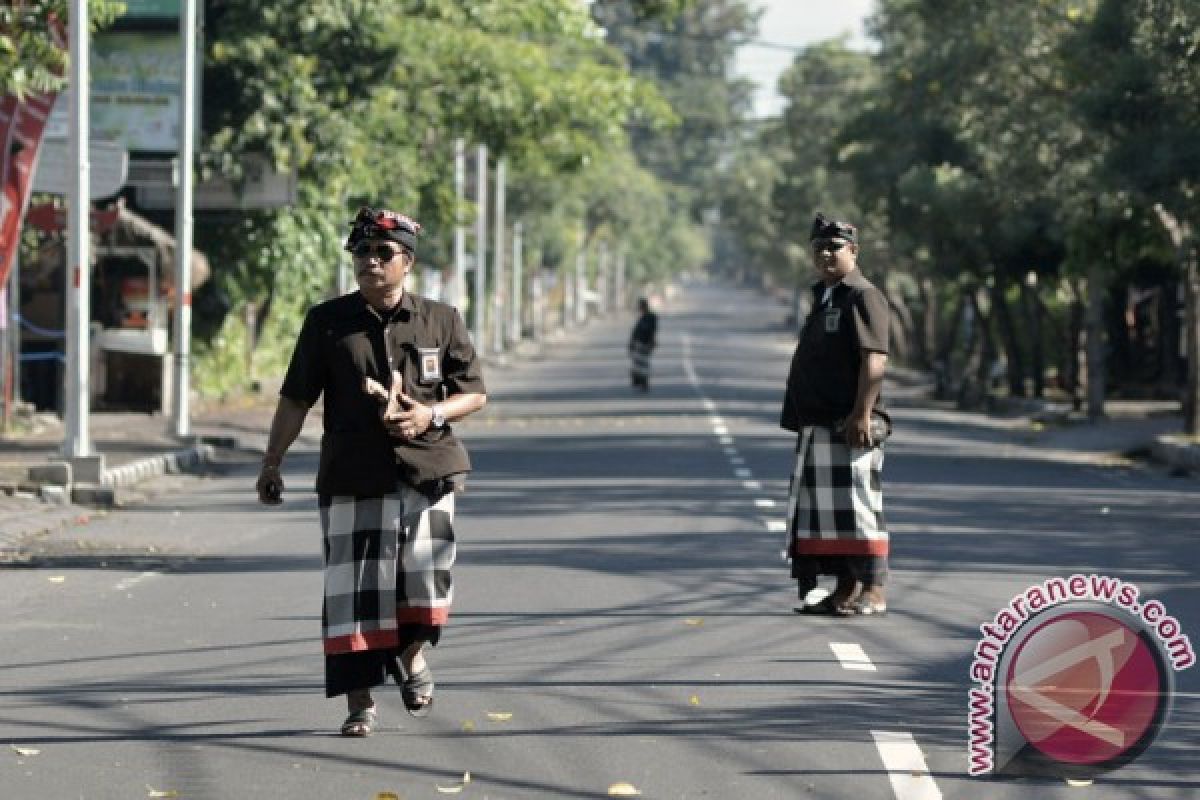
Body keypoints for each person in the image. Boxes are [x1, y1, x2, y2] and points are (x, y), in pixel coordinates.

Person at [256, 207, 487, 736]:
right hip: (352, 475)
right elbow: (295, 400)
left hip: (427, 471)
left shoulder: (441, 318)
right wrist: (272, 461)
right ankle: (360, 703)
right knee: (354, 595)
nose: (371, 262)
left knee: (424, 585)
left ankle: (411, 656)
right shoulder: (327, 322)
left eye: (383, 253)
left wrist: (430, 414)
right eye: (362, 253)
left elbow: (473, 393)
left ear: (407, 262)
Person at [781, 212, 890, 617]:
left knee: (860, 508)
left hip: (850, 425)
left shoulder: (863, 296)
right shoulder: (826, 296)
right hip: (820, 425)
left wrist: (861, 413)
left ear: (854, 251)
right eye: (819, 248)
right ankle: (845, 589)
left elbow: (874, 360)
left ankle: (874, 589)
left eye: (835, 247)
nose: (826, 254)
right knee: (830, 516)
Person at [628, 297, 658, 391]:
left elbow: (651, 330)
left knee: (643, 363)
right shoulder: (642, 317)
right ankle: (639, 381)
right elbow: (635, 332)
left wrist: (651, 342)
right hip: (639, 343)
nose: (639, 308)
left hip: (645, 343)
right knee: (638, 363)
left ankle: (644, 381)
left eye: (640, 306)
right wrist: (631, 343)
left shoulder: (650, 317)